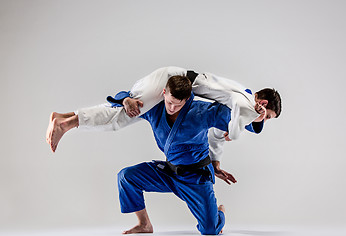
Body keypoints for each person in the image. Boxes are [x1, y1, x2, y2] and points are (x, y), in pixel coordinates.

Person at [46, 66, 281, 184]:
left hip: (177, 81)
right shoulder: (246, 102)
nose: (263, 120)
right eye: (267, 116)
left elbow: (218, 136)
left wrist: (216, 162)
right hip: (171, 77)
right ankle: (66, 124)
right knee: (126, 112)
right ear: (261, 103)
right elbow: (239, 125)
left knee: (123, 114)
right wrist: (245, 124)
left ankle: (65, 117)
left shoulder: (243, 99)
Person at [118, 75, 232, 235]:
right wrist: (126, 100)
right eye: (169, 102)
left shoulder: (201, 112)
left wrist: (235, 127)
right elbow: (116, 100)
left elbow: (236, 114)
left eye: (178, 105)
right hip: (169, 172)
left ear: (187, 99)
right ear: (164, 92)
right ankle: (144, 224)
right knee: (126, 176)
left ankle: (219, 211)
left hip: (196, 177)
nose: (172, 108)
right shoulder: (153, 108)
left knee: (210, 229)